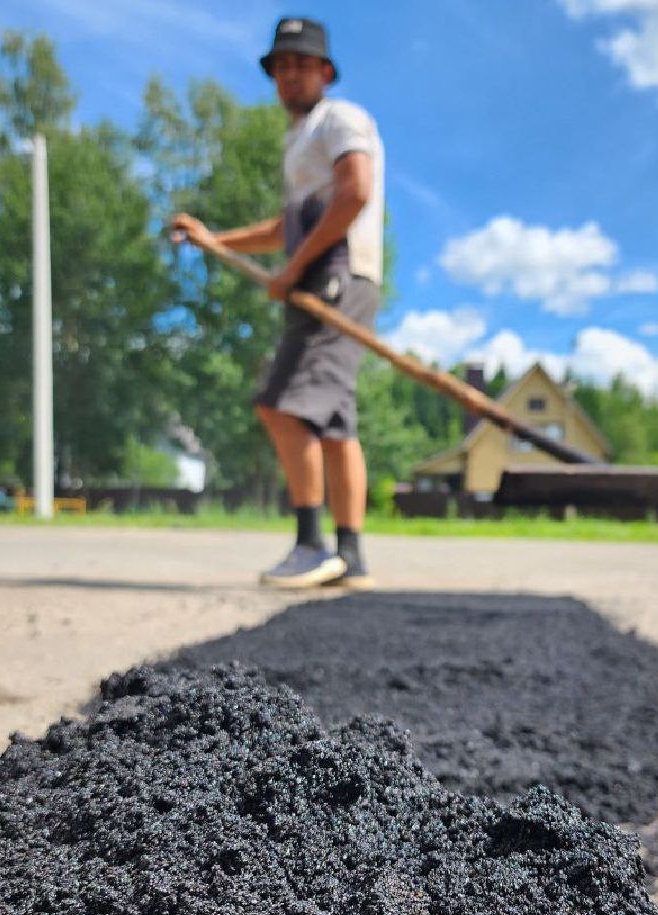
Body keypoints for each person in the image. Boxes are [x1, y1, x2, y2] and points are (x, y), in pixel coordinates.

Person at [173, 17, 384, 590]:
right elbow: (283, 228)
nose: (289, 75)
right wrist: (215, 240)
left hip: (335, 279)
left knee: (282, 405)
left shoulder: (338, 120)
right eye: (280, 66)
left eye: (301, 64)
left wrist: (294, 269)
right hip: (326, 278)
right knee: (335, 424)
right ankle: (350, 556)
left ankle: (311, 546)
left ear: (325, 71)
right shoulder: (301, 139)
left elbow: (356, 191)